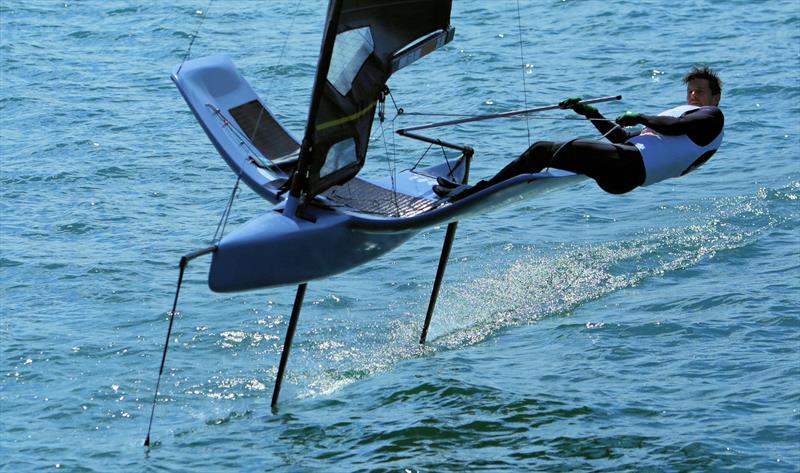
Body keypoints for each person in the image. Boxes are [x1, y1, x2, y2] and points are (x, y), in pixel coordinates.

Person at [434, 66, 724, 199]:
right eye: (691, 90)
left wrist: (641, 116)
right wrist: (590, 112)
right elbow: (622, 138)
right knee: (543, 155)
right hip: (623, 171)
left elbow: (674, 126)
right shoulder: (678, 118)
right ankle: (481, 190)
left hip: (631, 167)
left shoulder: (712, 117)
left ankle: (474, 192)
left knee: (541, 151)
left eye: (700, 91)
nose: (694, 95)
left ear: (715, 98)